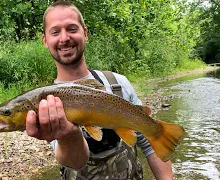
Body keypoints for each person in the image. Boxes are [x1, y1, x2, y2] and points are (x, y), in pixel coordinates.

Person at [25, 1, 173, 179]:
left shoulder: (118, 84)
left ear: (85, 33)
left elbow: (148, 144)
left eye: (72, 29)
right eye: (55, 32)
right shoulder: (47, 102)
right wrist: (69, 137)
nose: (64, 38)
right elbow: (74, 162)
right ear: (45, 40)